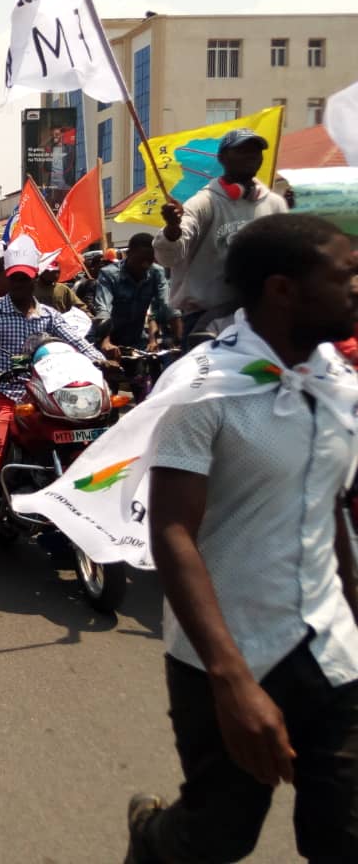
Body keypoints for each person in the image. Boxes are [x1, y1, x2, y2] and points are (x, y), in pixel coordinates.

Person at [125, 213, 358, 863]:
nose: (356, 288)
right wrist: (232, 681)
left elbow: (330, 509)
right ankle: (149, 835)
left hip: (333, 648)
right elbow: (173, 530)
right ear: (284, 290)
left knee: (345, 838)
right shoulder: (203, 391)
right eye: (344, 276)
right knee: (216, 840)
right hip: (228, 656)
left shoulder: (337, 386)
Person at [0, 236, 107, 581]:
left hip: (43, 395)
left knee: (85, 448)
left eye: (24, 277)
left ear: (34, 278)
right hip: (2, 392)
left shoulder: (49, 315)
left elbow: (78, 343)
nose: (19, 283)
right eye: (13, 277)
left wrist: (102, 361)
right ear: (6, 279)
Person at [153, 127, 288, 346]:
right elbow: (168, 257)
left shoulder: (274, 204)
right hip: (205, 323)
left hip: (259, 321)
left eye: (256, 151)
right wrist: (172, 228)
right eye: (242, 150)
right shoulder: (203, 203)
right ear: (222, 158)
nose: (251, 156)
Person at [95, 232, 177, 353]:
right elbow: (103, 310)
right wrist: (105, 342)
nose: (145, 265)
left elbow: (166, 304)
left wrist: (179, 337)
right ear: (129, 254)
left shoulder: (157, 272)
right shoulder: (108, 274)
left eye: (149, 261)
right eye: (140, 260)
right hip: (109, 339)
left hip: (137, 340)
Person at [72, 250, 104, 314]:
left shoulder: (104, 282)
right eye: (101, 266)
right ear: (93, 267)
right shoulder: (84, 283)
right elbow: (88, 302)